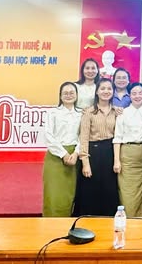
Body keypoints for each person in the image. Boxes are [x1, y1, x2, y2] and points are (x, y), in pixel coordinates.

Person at [75, 78, 120, 215]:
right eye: (103, 88)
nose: (106, 91)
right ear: (97, 92)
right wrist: (85, 163)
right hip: (93, 153)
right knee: (90, 191)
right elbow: (83, 138)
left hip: (110, 153)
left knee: (109, 190)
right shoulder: (89, 112)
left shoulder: (117, 112)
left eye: (109, 89)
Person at [43, 82, 82, 217]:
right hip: (55, 156)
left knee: (70, 195)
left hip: (75, 157)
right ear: (60, 96)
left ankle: (67, 224)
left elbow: (83, 136)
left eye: (72, 93)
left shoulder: (81, 114)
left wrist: (76, 153)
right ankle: (50, 225)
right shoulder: (53, 113)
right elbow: (48, 135)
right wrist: (63, 154)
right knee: (53, 194)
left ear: (76, 95)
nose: (68, 95)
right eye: (65, 93)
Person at [112, 82, 142, 217]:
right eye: (134, 93)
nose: (137, 96)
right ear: (130, 95)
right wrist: (117, 161)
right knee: (127, 191)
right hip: (127, 154)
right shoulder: (123, 113)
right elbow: (117, 138)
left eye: (140, 93)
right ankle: (129, 220)